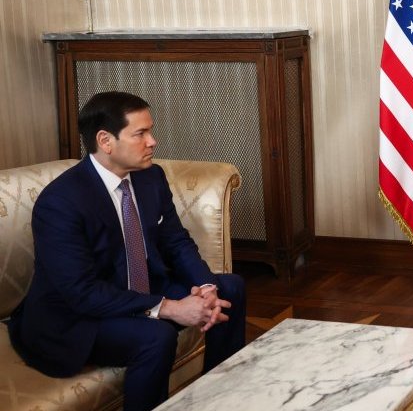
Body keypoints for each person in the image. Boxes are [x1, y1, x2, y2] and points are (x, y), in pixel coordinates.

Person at [9, 91, 246, 411]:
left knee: (230, 288)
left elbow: (175, 241)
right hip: (79, 316)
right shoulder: (61, 202)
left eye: (151, 131)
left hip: (139, 288)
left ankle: (221, 399)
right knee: (156, 336)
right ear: (105, 141)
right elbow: (82, 292)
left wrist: (206, 288)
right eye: (141, 133)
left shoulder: (150, 177)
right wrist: (169, 308)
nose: (153, 141)